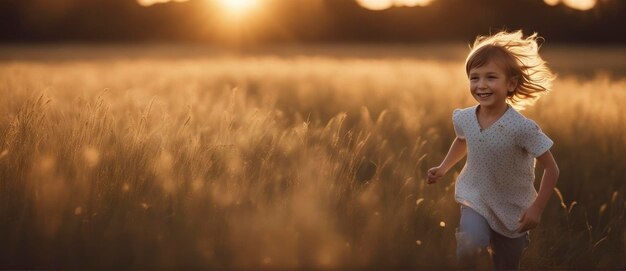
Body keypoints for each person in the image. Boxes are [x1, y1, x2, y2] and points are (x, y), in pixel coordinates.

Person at [426, 30, 560, 270]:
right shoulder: (465, 117)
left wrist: (536, 209)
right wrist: (443, 167)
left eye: (490, 77)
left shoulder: (522, 127)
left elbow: (552, 168)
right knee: (469, 247)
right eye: (474, 78)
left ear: (511, 84)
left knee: (506, 265)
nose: (481, 85)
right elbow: (463, 140)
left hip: (513, 208)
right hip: (475, 197)